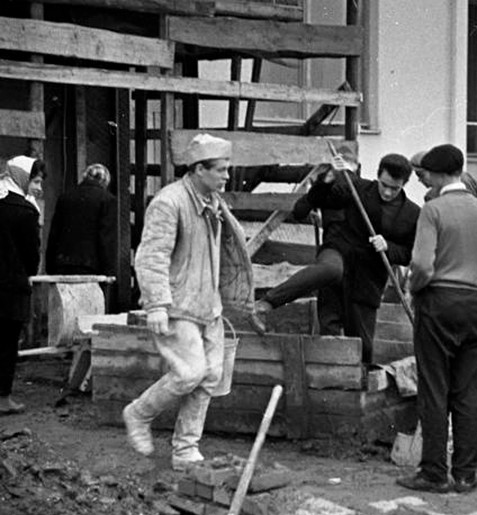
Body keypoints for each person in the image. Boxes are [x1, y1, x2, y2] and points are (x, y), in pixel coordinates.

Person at [122, 133, 253, 471]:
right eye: (221, 170)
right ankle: (138, 413)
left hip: (208, 306)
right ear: (198, 168)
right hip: (177, 305)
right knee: (188, 373)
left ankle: (185, 450)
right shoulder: (169, 203)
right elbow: (151, 257)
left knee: (209, 377)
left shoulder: (212, 202)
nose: (227, 176)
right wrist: (155, 305)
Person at [396, 144, 477, 494]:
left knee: (434, 389)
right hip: (473, 305)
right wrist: (470, 281)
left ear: (437, 174)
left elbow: (423, 265)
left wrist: (417, 288)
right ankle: (465, 475)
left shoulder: (434, 210)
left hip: (438, 303)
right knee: (467, 392)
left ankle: (433, 473)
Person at [249, 153, 420, 364]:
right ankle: (265, 304)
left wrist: (389, 247)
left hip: (366, 283)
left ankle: (356, 394)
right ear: (377, 176)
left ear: (404, 184)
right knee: (330, 273)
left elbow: (409, 253)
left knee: (363, 351)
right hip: (339, 253)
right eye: (384, 185)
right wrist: (327, 180)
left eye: (394, 188)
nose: (387, 192)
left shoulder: (412, 214)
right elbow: (310, 204)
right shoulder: (356, 187)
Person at [0, 156, 43, 414]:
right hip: (11, 287)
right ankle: (3, 397)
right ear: (23, 178)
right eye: (35, 181)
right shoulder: (26, 212)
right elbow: (31, 256)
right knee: (7, 343)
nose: (37, 187)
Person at [46, 163, 117, 276]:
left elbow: (54, 233)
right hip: (91, 266)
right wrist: (108, 270)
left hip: (62, 264)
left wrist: (50, 266)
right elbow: (106, 238)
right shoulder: (108, 200)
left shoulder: (65, 197)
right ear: (105, 182)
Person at [409, 150, 477, 203]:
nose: (419, 180)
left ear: (432, 170)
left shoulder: (432, 196)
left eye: (420, 175)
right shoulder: (463, 176)